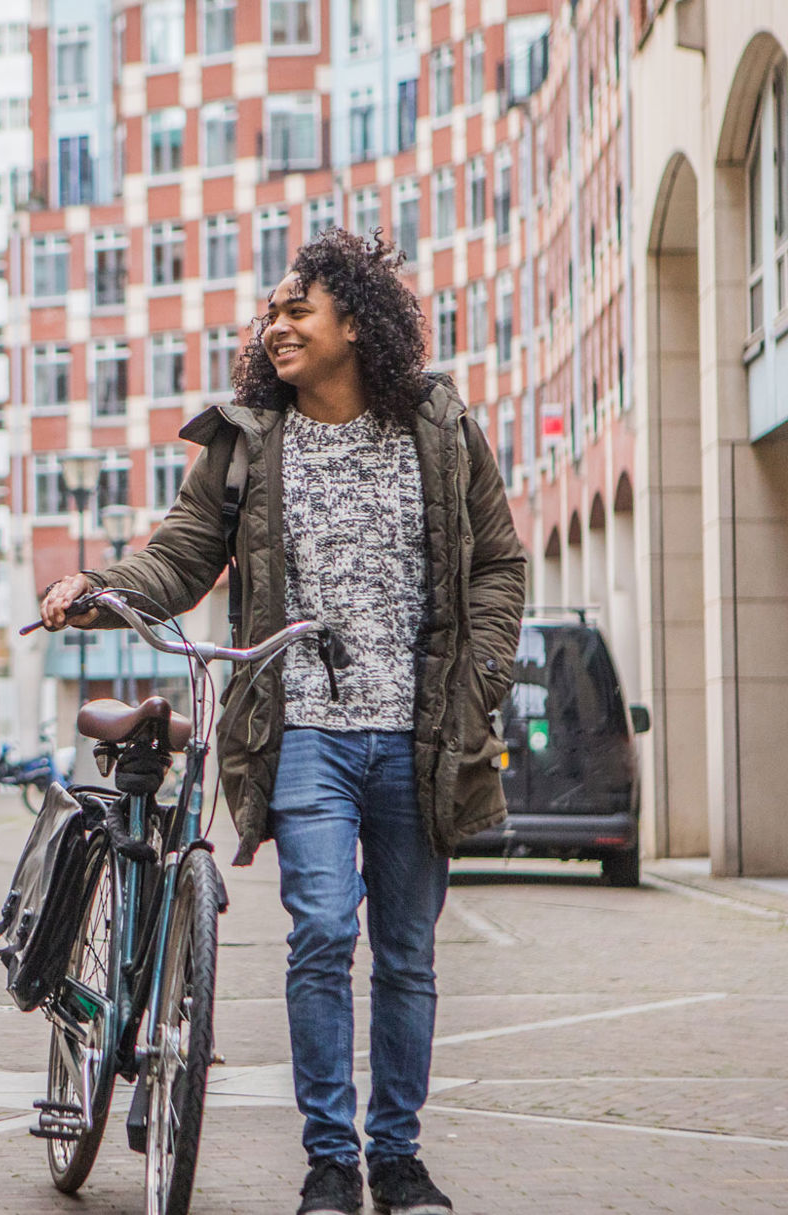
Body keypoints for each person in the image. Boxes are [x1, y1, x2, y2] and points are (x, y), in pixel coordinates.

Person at [41, 229, 524, 1215]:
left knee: (406, 951)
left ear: (356, 321)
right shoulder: (249, 437)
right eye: (271, 313)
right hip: (304, 731)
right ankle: (328, 1165)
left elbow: (499, 563)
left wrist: (479, 677)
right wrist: (100, 588)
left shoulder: (437, 425)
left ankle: (397, 1157)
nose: (277, 325)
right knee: (316, 934)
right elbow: (180, 558)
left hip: (423, 738)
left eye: (297, 308)